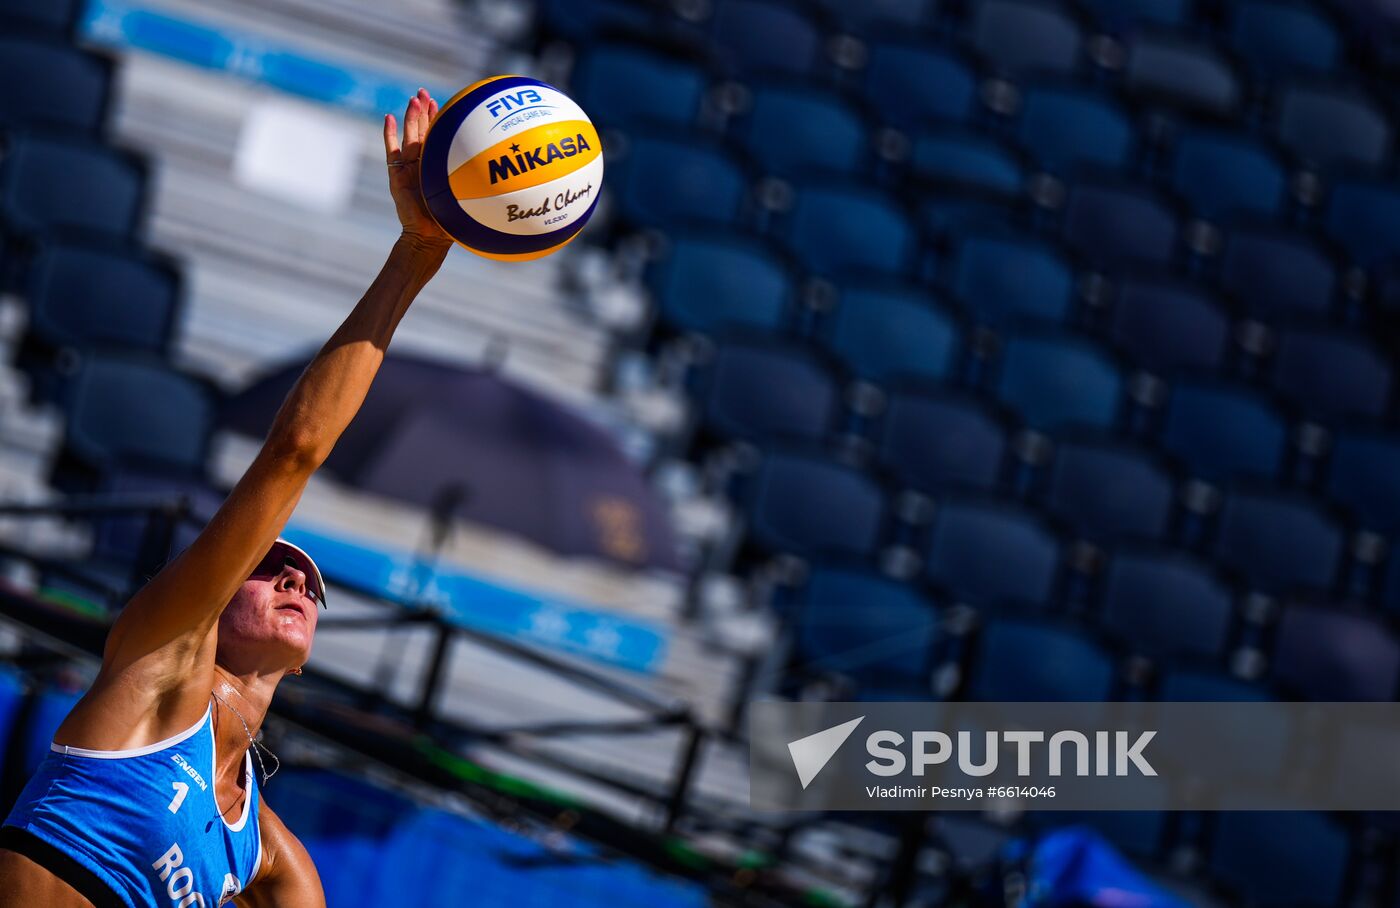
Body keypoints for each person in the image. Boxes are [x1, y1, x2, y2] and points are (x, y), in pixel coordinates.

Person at [0, 88, 454, 907]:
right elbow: (294, 453)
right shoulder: (158, 663)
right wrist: (414, 257)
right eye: (275, 568)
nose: (296, 582)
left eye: (307, 583)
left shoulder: (267, 854)